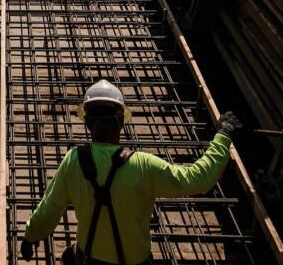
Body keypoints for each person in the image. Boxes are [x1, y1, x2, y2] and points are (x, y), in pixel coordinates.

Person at [20, 80, 243, 264]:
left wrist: (31, 236)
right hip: (135, 261)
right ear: (121, 122)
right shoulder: (144, 165)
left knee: (70, 257)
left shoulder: (73, 161)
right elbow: (198, 179)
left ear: (88, 124)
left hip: (90, 259)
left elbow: (50, 207)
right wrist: (222, 136)